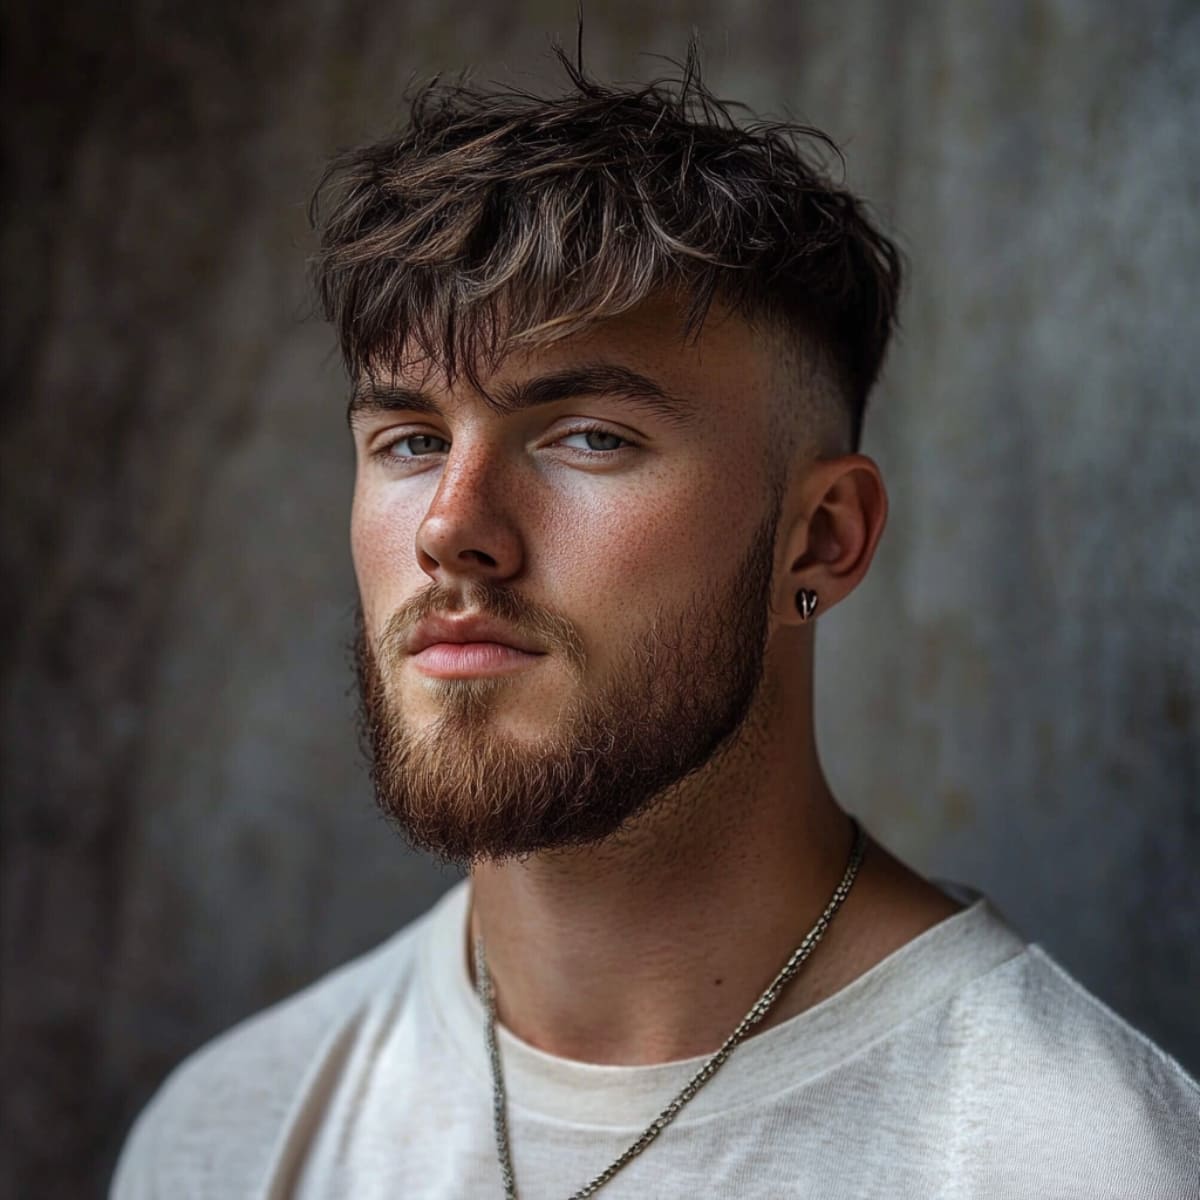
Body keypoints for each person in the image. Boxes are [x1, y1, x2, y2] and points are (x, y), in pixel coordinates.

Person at [111, 47, 1199, 1200]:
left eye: (588, 436)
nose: (451, 528)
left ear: (822, 536)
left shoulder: (1080, 1160)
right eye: (411, 441)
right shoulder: (230, 1137)